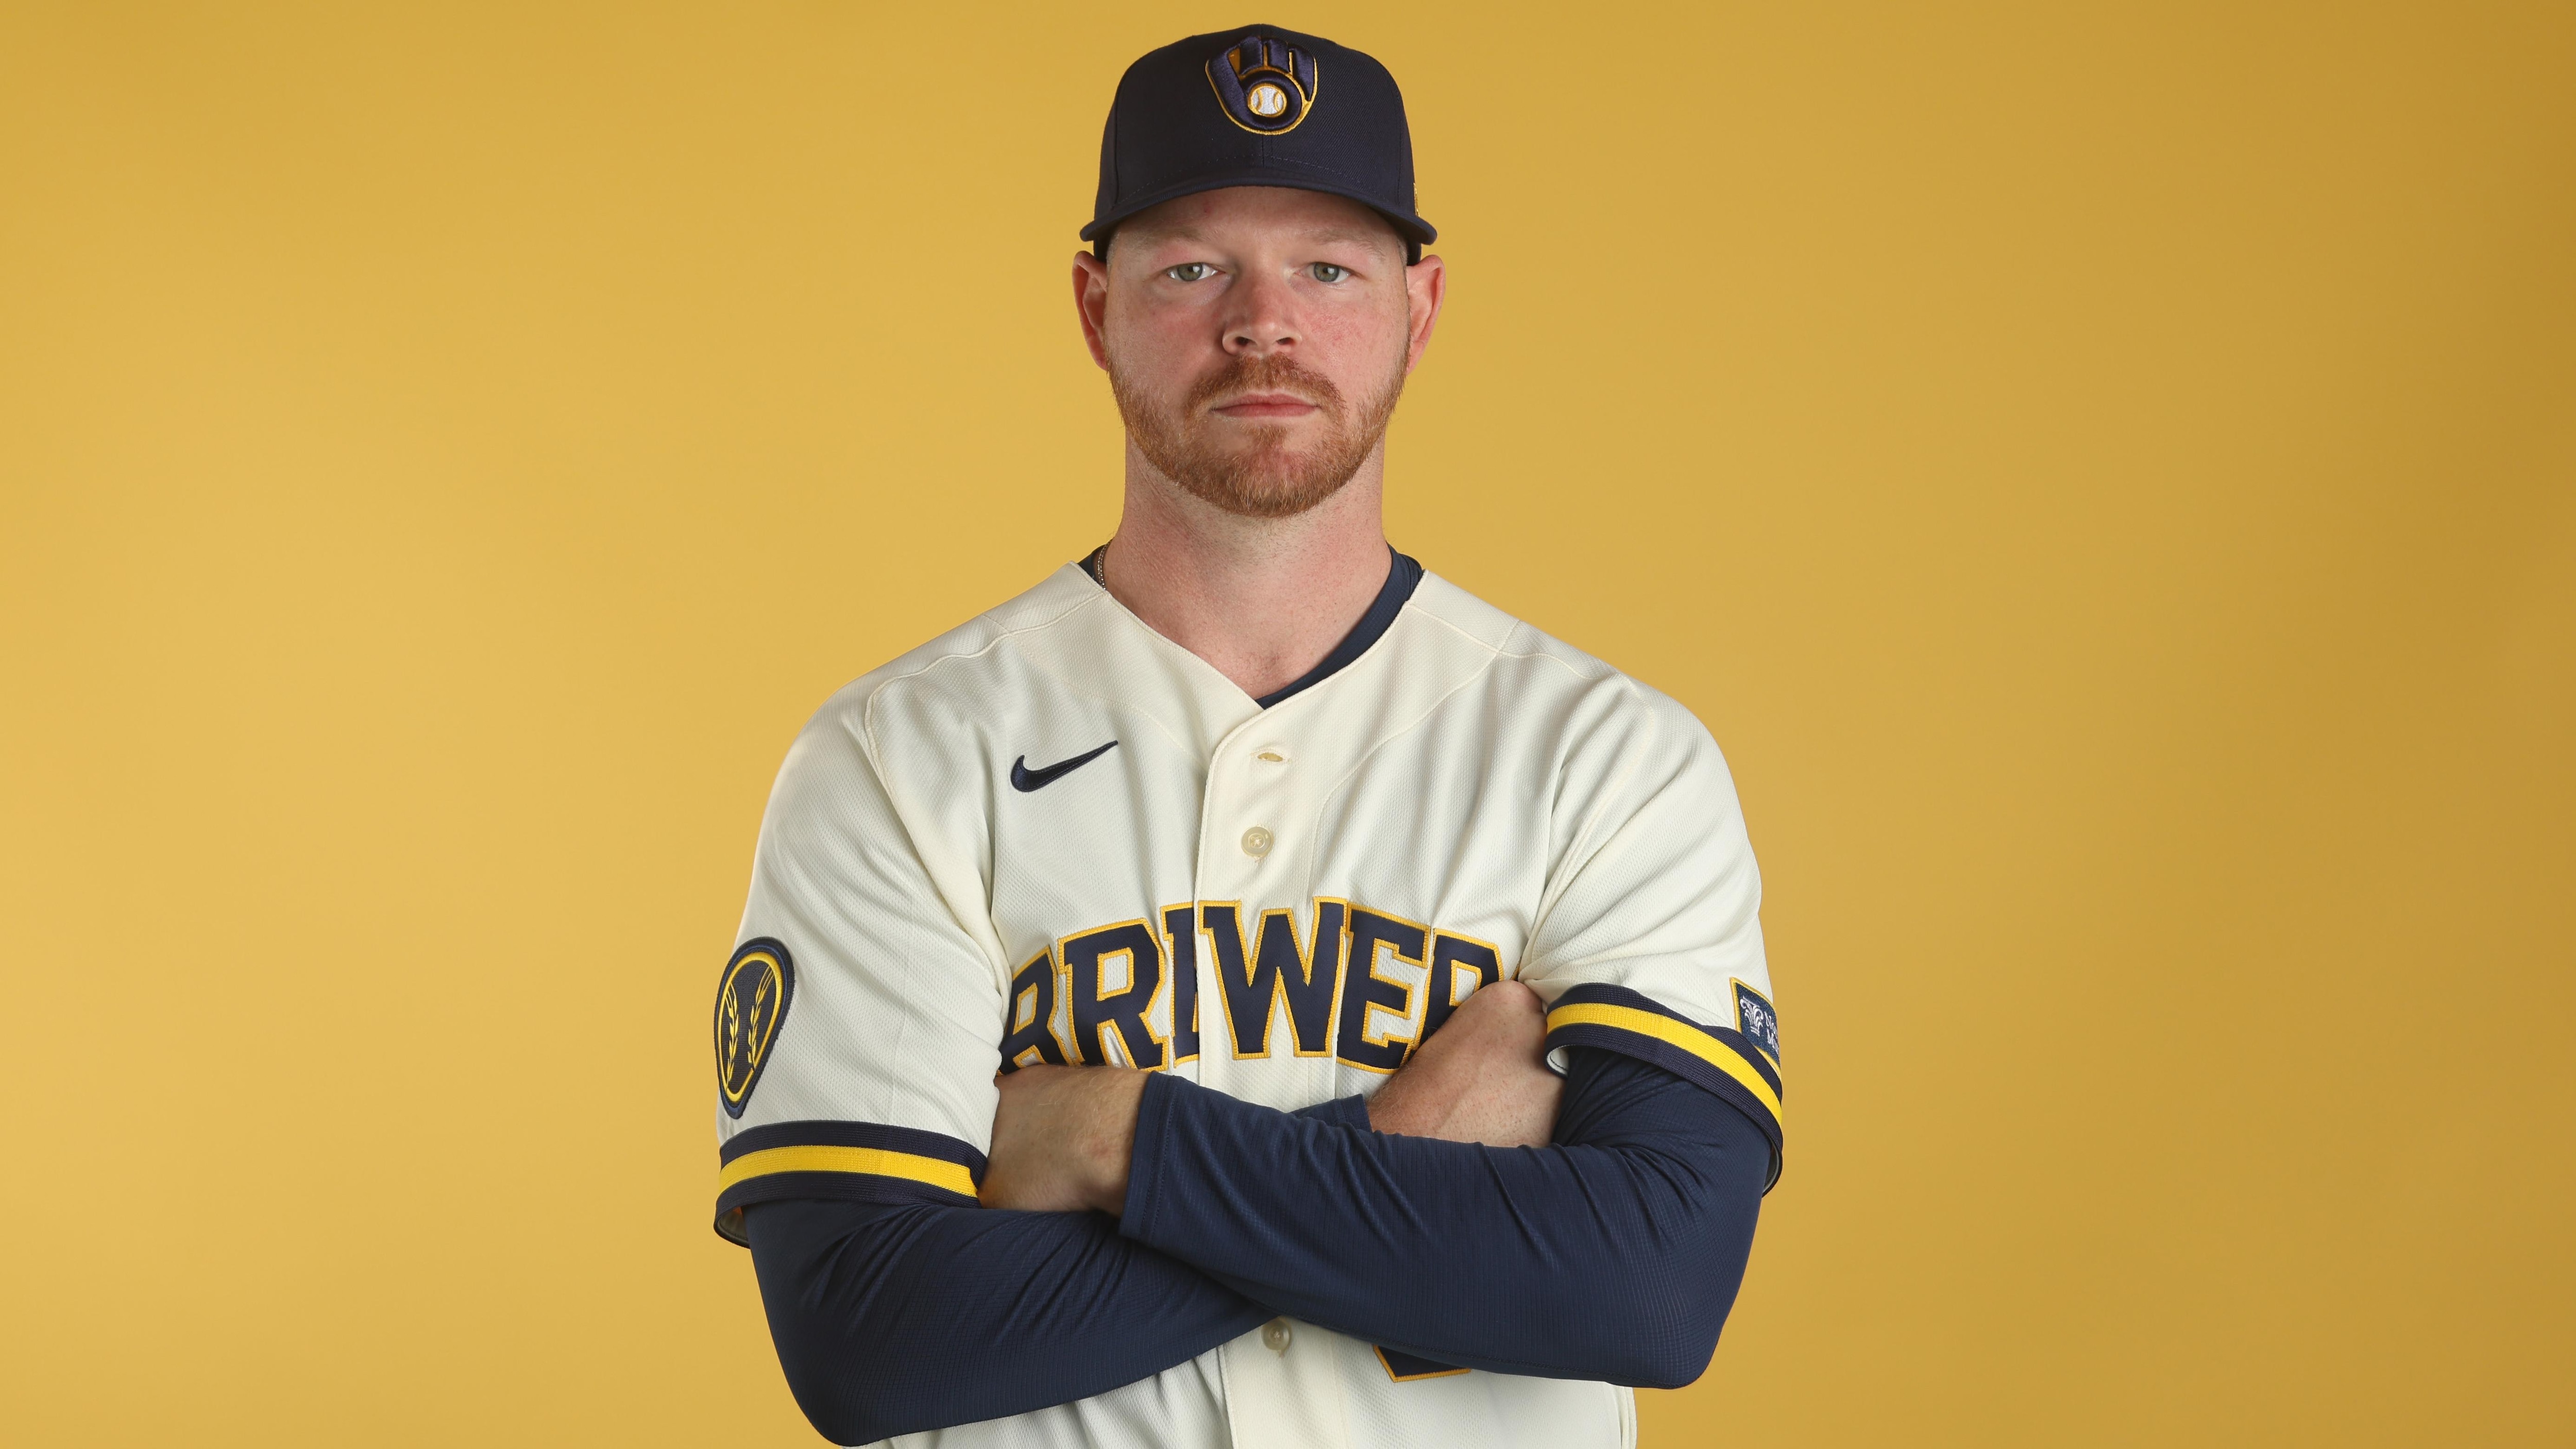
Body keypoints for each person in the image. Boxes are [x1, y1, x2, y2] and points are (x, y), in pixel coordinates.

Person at [710, 25, 1785, 1448]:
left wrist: (1117, 1141)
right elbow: (876, 1340)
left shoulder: (1609, 760)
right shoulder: (896, 757)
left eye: (1328, 269)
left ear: (1420, 307)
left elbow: (1648, 1289)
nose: (1262, 324)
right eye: (1192, 269)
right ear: (1096, 306)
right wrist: (1403, 1149)